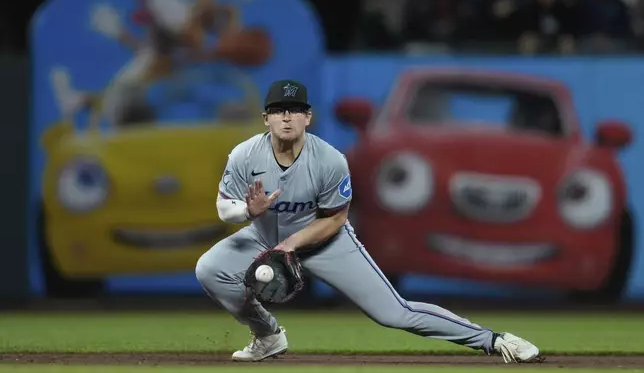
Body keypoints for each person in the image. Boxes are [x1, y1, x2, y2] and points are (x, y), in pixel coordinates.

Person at [195, 79, 543, 364]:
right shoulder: (245, 155)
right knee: (210, 269)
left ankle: (494, 340)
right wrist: (248, 213)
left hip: (325, 242)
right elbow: (224, 207)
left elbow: (335, 218)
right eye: (278, 111)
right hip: (263, 235)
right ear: (266, 118)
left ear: (308, 117)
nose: (287, 117)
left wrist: (291, 245)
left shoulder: (329, 161)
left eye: (296, 110)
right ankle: (268, 335)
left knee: (394, 313)